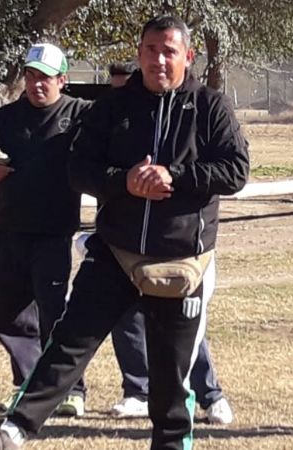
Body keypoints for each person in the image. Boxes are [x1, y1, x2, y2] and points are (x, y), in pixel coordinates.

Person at [0, 14, 249, 450]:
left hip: (181, 258)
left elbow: (235, 170)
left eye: (169, 51)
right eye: (150, 50)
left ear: (188, 56)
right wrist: (123, 181)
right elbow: (80, 170)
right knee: (68, 342)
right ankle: (14, 430)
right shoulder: (113, 107)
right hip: (115, 252)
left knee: (169, 373)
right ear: (139, 53)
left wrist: (175, 177)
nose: (158, 60)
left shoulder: (210, 107)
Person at [0, 42, 91, 418]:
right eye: (31, 76)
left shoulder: (80, 115)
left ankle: (71, 390)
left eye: (46, 78)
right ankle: (29, 383)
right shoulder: (5, 118)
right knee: (3, 310)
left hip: (52, 232)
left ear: (63, 80)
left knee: (53, 313)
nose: (37, 85)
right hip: (5, 228)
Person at [103, 60, 234, 424]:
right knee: (127, 320)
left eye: (125, 83)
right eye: (114, 86)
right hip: (124, 246)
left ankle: (209, 394)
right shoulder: (114, 116)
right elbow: (92, 172)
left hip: (181, 249)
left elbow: (232, 170)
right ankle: (137, 391)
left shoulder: (198, 109)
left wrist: (171, 177)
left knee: (182, 329)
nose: (121, 92)